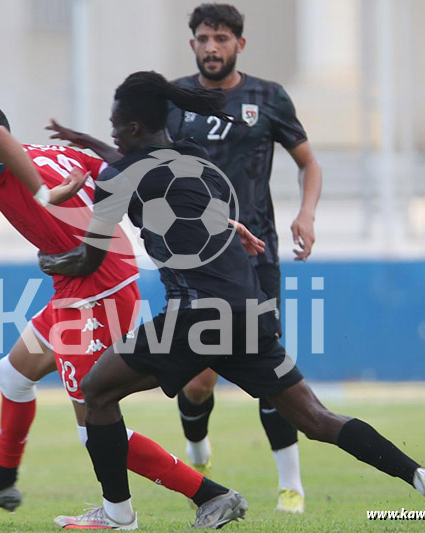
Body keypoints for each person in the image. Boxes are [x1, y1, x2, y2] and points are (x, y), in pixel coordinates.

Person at [38, 71, 425, 531]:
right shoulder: (193, 157)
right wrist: (89, 142)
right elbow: (136, 165)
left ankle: (117, 516)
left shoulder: (117, 178)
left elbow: (88, 257)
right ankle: (422, 477)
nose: (111, 135)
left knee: (97, 392)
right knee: (316, 418)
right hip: (248, 309)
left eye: (114, 127)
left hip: (196, 315)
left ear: (131, 128)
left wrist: (48, 258)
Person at [0, 102, 247, 520]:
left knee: (94, 416)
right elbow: (130, 170)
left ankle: (198, 496)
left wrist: (45, 195)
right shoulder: (60, 155)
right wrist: (209, 217)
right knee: (13, 373)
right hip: (83, 279)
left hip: (94, 288)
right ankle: (1, 481)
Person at [164, 3, 322, 513]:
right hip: (193, 261)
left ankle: (291, 486)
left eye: (222, 38)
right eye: (204, 38)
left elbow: (308, 163)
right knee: (196, 379)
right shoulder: (174, 100)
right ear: (193, 44)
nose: (212, 47)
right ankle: (197, 454)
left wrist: (306, 214)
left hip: (256, 259)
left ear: (240, 44)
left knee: (268, 371)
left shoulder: (267, 97)